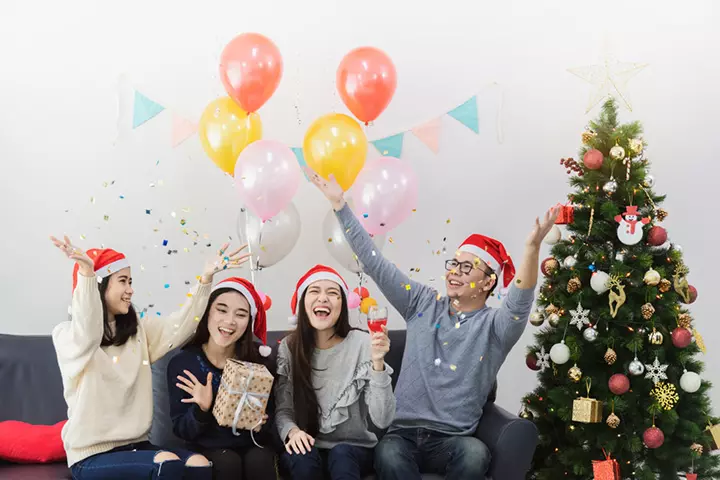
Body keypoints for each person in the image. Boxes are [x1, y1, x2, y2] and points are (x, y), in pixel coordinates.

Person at [307, 170, 559, 479]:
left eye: (467, 267)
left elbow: (520, 300)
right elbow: (376, 263)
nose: (455, 272)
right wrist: (340, 206)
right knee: (388, 453)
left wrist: (532, 250)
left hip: (453, 440)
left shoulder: (496, 327)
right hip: (402, 435)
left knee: (475, 454)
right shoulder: (421, 303)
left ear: (488, 281)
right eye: (453, 264)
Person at [50, 235, 248, 480]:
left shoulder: (138, 333)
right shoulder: (68, 336)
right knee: (166, 463)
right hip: (90, 456)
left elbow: (181, 325)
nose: (130, 290)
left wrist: (206, 278)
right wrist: (87, 275)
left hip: (137, 446)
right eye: (123, 281)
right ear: (100, 286)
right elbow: (89, 331)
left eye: (130, 281)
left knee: (198, 463)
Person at [275, 265, 396, 480]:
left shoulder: (362, 343)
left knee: (341, 454)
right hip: (307, 444)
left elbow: (383, 420)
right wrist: (292, 432)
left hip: (354, 449)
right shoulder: (289, 347)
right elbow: (284, 410)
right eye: (314, 291)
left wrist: (378, 363)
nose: (323, 298)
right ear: (303, 303)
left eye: (332, 293)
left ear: (342, 306)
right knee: (302, 458)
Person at [167, 277, 278, 480]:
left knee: (259, 460)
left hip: (251, 445)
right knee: (228, 462)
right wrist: (201, 410)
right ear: (207, 312)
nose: (229, 321)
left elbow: (272, 420)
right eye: (222, 310)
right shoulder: (184, 363)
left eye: (241, 314)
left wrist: (262, 423)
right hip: (205, 447)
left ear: (249, 322)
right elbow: (182, 431)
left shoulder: (261, 362)